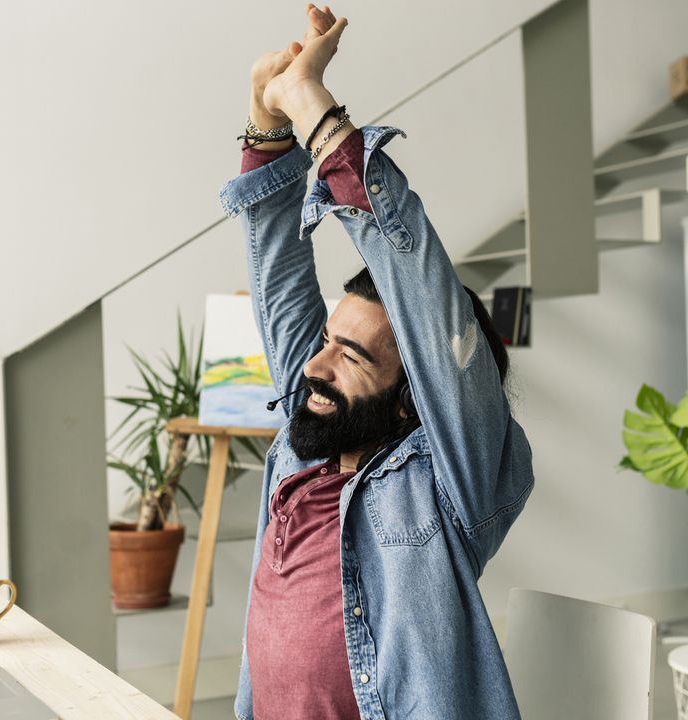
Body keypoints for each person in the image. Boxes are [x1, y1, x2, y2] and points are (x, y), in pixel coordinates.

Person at [218, 6, 535, 719]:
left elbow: (423, 297)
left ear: (410, 398)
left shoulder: (447, 482)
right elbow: (279, 279)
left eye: (353, 356)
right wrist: (266, 118)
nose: (315, 365)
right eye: (329, 342)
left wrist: (311, 105)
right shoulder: (306, 450)